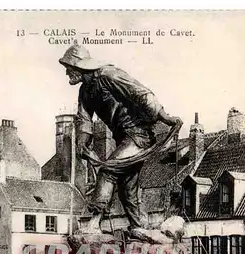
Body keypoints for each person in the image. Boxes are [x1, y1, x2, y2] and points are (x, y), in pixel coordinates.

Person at [59, 44, 183, 240]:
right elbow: (84, 120)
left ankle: (93, 222)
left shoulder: (108, 75)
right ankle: (139, 227)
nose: (67, 72)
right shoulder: (85, 92)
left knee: (108, 169)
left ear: (78, 66)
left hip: (139, 135)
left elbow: (141, 93)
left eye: (68, 67)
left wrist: (165, 117)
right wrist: (82, 144)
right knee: (127, 188)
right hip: (123, 139)